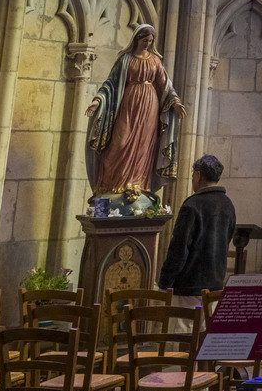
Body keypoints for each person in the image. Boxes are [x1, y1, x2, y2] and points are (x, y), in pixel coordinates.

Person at [85, 24, 187, 195]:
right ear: (137, 39)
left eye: (150, 40)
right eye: (145, 40)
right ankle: (112, 186)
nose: (148, 43)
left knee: (144, 145)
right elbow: (111, 83)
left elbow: (165, 85)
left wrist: (175, 102)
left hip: (149, 105)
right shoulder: (125, 59)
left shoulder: (155, 60)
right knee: (120, 142)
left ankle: (138, 185)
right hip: (128, 103)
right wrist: (98, 100)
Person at [159, 154, 236, 305]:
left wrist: (165, 282)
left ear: (198, 175)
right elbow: (227, 239)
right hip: (215, 286)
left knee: (184, 328)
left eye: (193, 174)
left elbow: (179, 248)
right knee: (206, 328)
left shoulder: (192, 205)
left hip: (189, 288)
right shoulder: (228, 204)